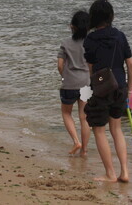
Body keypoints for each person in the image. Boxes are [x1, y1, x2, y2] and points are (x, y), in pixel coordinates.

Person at [83, 0, 132, 183]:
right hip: (120, 86)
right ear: (110, 16)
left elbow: (90, 68)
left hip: (101, 87)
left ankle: (110, 174)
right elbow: (131, 65)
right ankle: (125, 172)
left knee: (99, 129)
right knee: (117, 129)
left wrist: (91, 88)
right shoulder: (120, 36)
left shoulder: (90, 39)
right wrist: (129, 89)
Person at [58, 10, 91, 156]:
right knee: (84, 117)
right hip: (86, 83)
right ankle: (84, 150)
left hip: (69, 83)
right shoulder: (90, 43)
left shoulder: (65, 43)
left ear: (72, 26)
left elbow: (60, 65)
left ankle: (76, 141)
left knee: (66, 113)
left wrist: (65, 76)